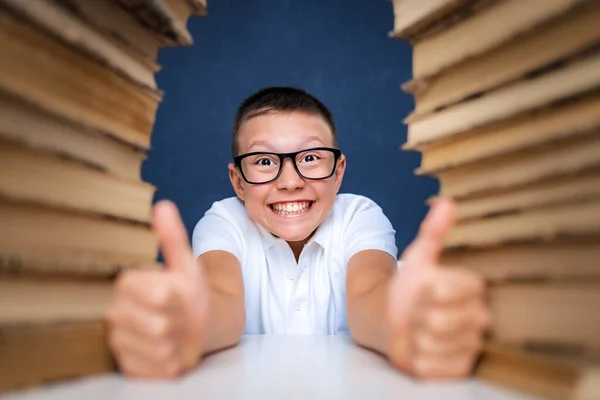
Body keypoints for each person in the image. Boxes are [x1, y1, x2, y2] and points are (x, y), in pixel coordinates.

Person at [106, 87, 490, 380]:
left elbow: (368, 293)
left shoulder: (359, 214)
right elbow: (221, 296)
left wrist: (399, 323)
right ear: (237, 182)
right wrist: (191, 322)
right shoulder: (224, 220)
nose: (290, 181)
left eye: (309, 158)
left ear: (338, 171)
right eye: (263, 161)